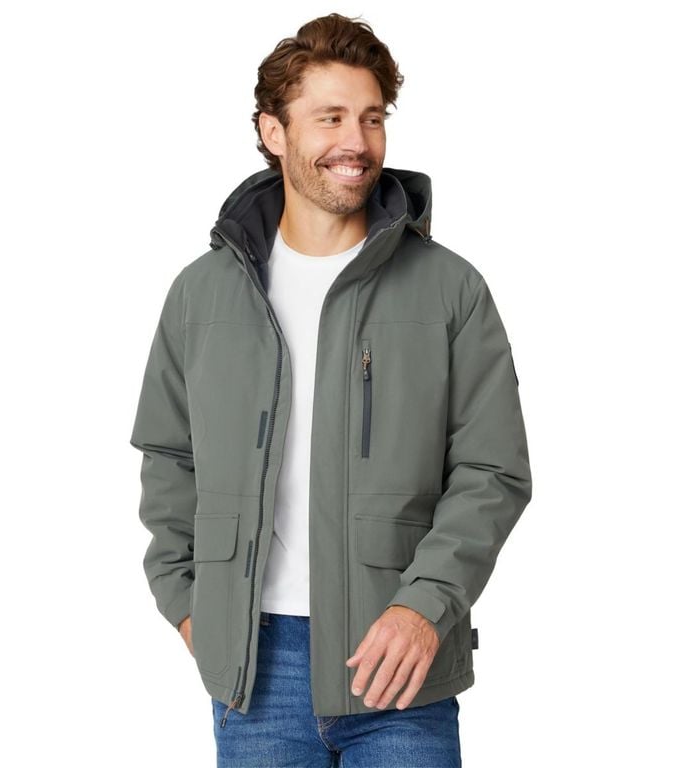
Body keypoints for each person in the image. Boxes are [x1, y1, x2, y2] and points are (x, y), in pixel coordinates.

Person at [130, 12, 532, 767]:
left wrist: (425, 608)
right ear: (273, 132)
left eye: (372, 118)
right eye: (331, 117)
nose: (358, 141)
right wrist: (189, 608)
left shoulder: (450, 289)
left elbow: (493, 470)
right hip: (255, 669)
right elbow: (167, 456)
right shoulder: (202, 294)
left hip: (400, 662)